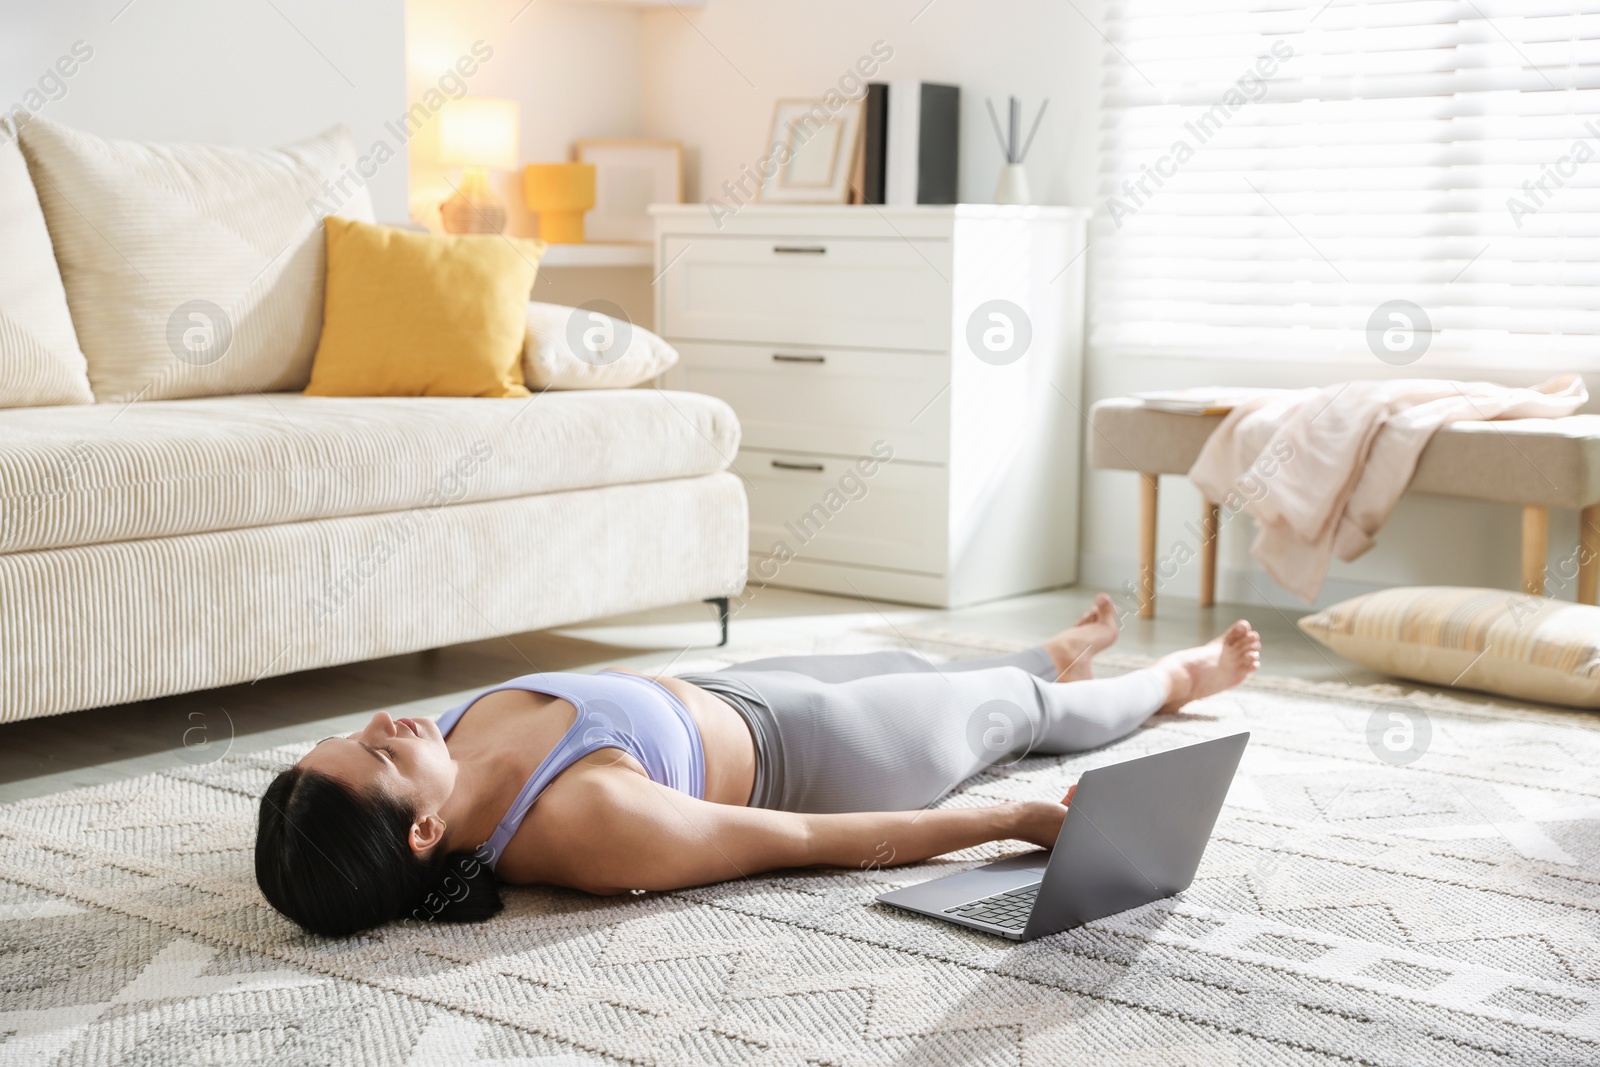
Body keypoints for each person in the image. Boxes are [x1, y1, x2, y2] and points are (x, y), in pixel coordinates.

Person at [256, 595, 1261, 936]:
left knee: (929, 667)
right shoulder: (587, 828)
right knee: (1032, 717)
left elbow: (331, 858)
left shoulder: (432, 756)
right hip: (828, 753)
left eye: (359, 732)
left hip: (739, 687)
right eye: (377, 748)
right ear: (423, 831)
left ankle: (1047, 649)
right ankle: (1173, 678)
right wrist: (1013, 821)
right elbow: (809, 840)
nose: (389, 719)